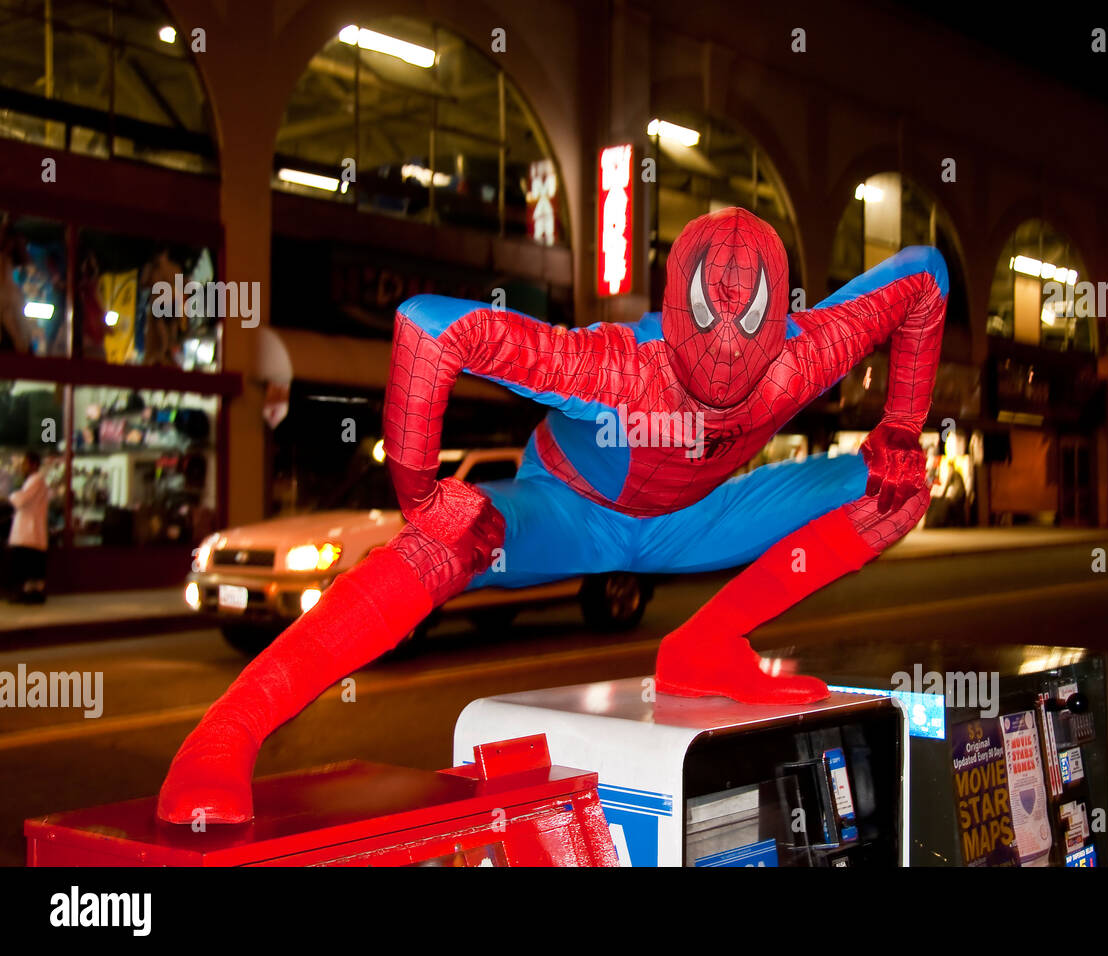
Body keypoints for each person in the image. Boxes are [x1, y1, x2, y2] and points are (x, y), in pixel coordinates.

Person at [158, 207, 948, 823]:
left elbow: (925, 274)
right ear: (671, 308)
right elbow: (430, 327)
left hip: (696, 516)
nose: (726, 347)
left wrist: (902, 434)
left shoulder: (803, 353)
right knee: (445, 544)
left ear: (779, 326)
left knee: (897, 488)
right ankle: (228, 731)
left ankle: (705, 644)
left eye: (749, 324)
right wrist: (425, 501)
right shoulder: (616, 364)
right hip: (568, 512)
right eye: (709, 317)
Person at [8, 451, 49, 604]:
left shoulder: (36, 481)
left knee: (29, 566)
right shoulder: (32, 481)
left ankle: (31, 595)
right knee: (29, 566)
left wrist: (11, 496)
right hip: (28, 533)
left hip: (30, 533)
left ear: (34, 465)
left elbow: (21, 500)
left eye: (25, 463)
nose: (22, 467)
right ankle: (28, 594)